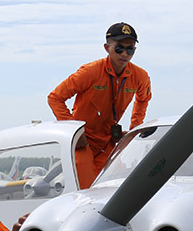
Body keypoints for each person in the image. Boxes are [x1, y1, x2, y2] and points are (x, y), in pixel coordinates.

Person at [48, 22, 152, 183]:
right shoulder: (90, 72)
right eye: (119, 48)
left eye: (130, 49)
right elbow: (55, 98)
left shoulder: (140, 76)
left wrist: (134, 130)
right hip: (84, 142)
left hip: (109, 141)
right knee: (86, 189)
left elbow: (143, 99)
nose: (125, 53)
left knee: (110, 187)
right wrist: (74, 132)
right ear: (107, 48)